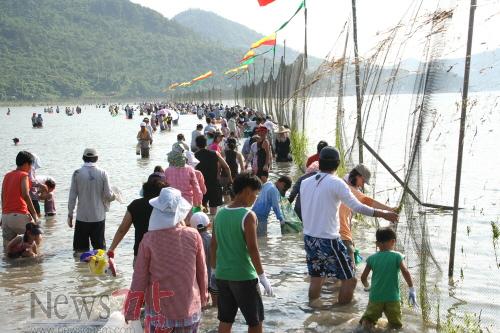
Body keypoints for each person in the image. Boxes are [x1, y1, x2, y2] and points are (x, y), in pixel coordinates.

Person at [300, 146, 398, 305]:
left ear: (320, 161)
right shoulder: (337, 183)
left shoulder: (306, 182)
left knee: (317, 278)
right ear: (337, 164)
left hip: (309, 238)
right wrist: (384, 214)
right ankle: (341, 314)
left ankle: (314, 310)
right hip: (328, 240)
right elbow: (357, 206)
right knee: (350, 280)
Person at [124, 187, 208, 332]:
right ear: (180, 211)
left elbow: (139, 278)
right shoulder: (193, 236)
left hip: (159, 313)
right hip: (189, 309)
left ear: (157, 211)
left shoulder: (149, 240)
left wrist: (132, 309)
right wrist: (204, 297)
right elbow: (202, 272)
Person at [211, 172, 273, 333]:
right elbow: (253, 248)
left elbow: (213, 245)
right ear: (247, 191)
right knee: (255, 322)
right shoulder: (247, 215)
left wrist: (213, 270)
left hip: (222, 275)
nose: (255, 198)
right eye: (255, 193)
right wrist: (262, 276)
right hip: (244, 276)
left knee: (225, 320)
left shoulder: (219, 213)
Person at [359, 228, 417, 330]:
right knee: (395, 325)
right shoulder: (397, 256)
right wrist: (411, 289)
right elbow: (405, 272)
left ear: (377, 243)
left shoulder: (372, 258)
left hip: (376, 297)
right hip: (393, 298)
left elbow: (363, 277)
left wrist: (368, 287)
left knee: (368, 320)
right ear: (393, 241)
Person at [339, 164, 397, 267]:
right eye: (363, 182)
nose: (362, 186)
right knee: (350, 271)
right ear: (358, 176)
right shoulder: (350, 189)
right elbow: (367, 201)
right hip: (341, 233)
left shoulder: (340, 182)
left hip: (330, 232)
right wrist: (388, 210)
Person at [108, 179, 167, 266]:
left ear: (145, 191)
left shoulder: (135, 205)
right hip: (162, 252)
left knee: (139, 278)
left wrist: (112, 249)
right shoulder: (166, 206)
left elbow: (122, 229)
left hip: (140, 251)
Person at [68, 148, 115, 251]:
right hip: (98, 217)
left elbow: (72, 196)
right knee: (99, 251)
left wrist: (70, 214)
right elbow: (108, 195)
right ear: (97, 158)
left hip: (82, 217)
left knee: (80, 251)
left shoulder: (77, 173)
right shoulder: (103, 173)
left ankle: (80, 267)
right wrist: (115, 196)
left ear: (83, 158)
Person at [1, 151, 39, 248]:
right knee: (36, 237)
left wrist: (3, 214)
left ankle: (8, 263)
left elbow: (2, 195)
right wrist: (34, 215)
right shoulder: (23, 175)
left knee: (8, 248)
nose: (30, 168)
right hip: (19, 215)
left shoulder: (7, 175)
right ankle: (36, 261)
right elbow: (25, 194)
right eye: (30, 165)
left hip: (5, 217)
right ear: (26, 164)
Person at [195, 135, 232, 215]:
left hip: (201, 185)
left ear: (196, 144)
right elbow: (226, 167)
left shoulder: (194, 156)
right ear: (206, 144)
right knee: (213, 211)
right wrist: (230, 179)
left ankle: (204, 224)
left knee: (201, 209)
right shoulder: (215, 153)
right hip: (214, 184)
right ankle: (212, 224)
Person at [190, 212, 216, 305]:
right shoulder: (213, 239)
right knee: (215, 305)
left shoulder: (191, 242)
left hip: (199, 279)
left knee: (201, 304)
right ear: (209, 225)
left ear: (191, 227)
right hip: (213, 278)